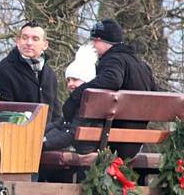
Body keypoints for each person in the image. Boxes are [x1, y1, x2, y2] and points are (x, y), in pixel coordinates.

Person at [62, 18, 158, 157]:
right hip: (136, 140)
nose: (93, 44)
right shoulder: (142, 65)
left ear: (104, 41)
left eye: (96, 40)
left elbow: (111, 80)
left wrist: (76, 96)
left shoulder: (113, 59)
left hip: (112, 141)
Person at [0, 20, 62, 121]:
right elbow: (2, 114)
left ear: (45, 45)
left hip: (48, 134)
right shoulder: (2, 71)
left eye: (35, 39)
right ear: (18, 41)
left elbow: (56, 114)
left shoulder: (50, 74)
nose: (29, 43)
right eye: (25, 38)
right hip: (15, 133)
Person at [43, 44, 98, 151]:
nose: (70, 84)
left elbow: (72, 134)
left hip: (83, 149)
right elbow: (60, 123)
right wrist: (37, 134)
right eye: (68, 80)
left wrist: (43, 144)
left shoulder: (88, 106)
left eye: (75, 79)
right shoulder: (77, 102)